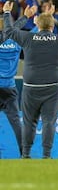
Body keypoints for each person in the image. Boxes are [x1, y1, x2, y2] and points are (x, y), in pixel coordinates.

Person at [3, 0, 58, 159]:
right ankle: (46, 155)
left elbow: (9, 31)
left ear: (37, 26)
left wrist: (7, 13)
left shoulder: (28, 38)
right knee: (48, 122)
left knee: (29, 122)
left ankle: (26, 154)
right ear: (53, 27)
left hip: (31, 87)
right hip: (53, 88)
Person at [0, 9, 36, 157]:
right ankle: (25, 153)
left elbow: (10, 31)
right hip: (9, 87)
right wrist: (33, 20)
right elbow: (33, 34)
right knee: (16, 123)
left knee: (16, 123)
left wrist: (24, 16)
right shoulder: (16, 41)